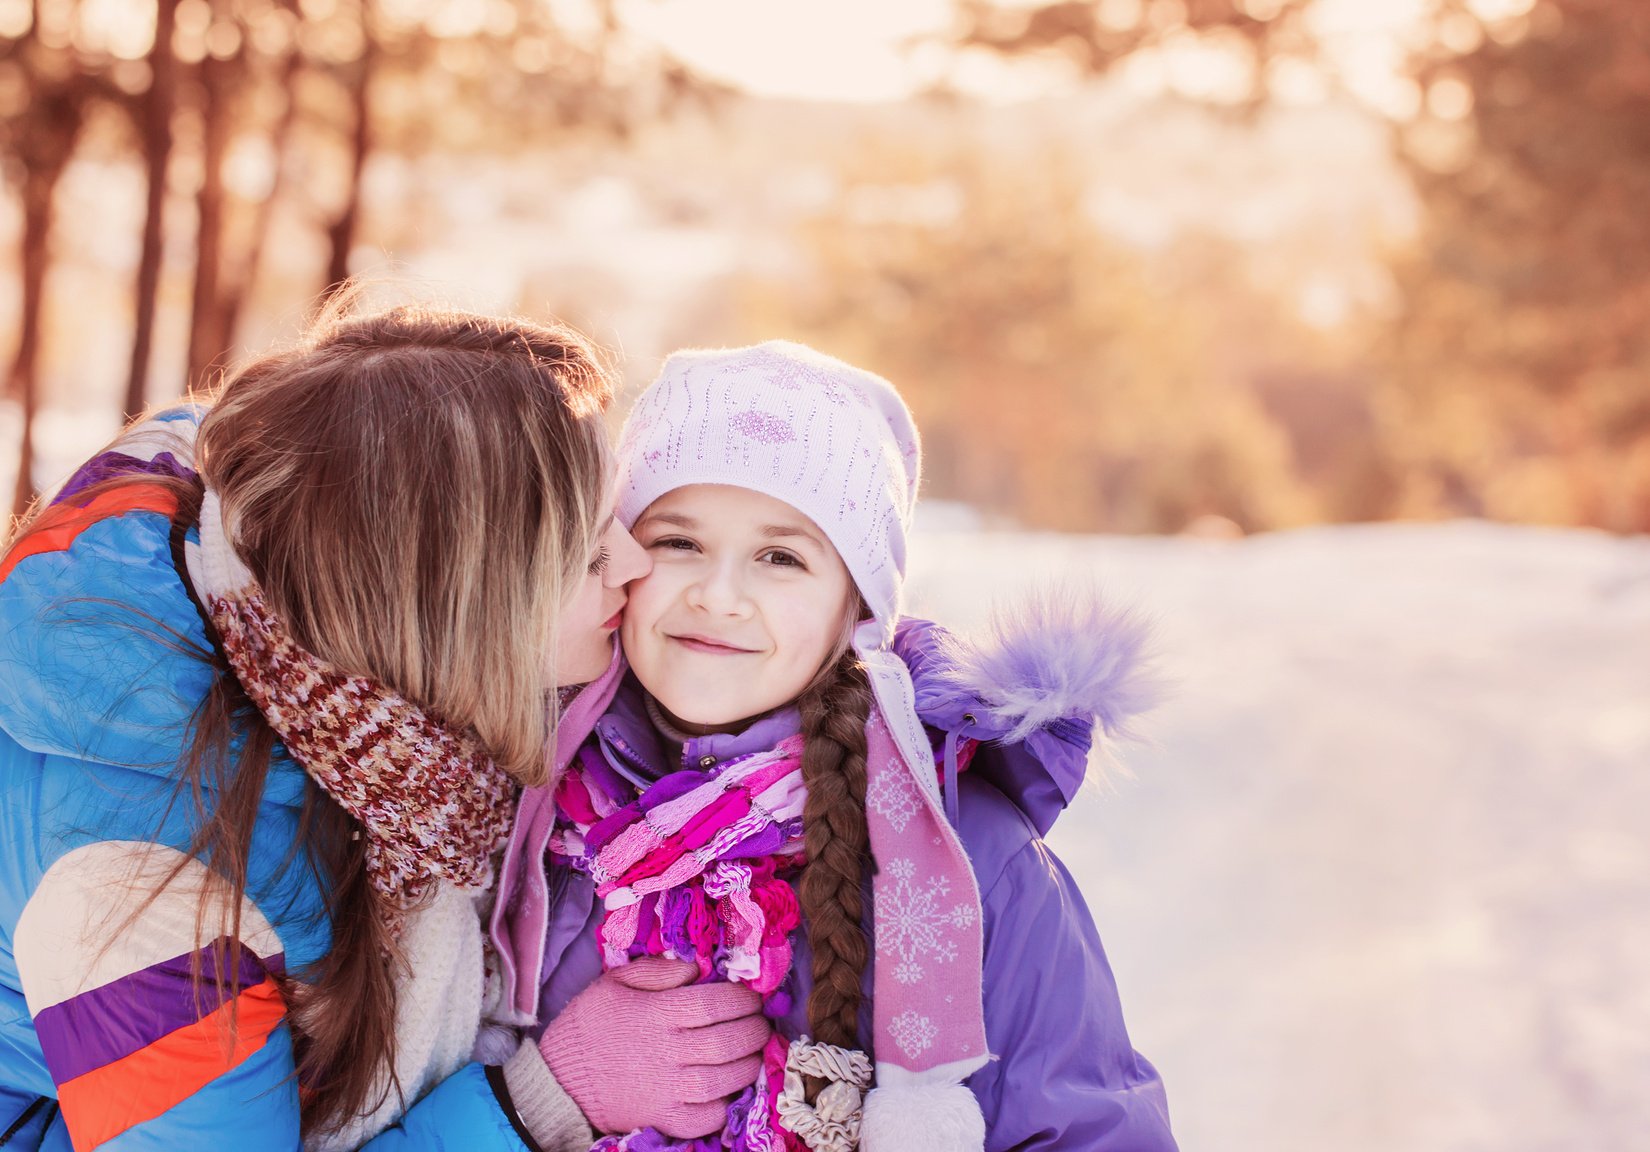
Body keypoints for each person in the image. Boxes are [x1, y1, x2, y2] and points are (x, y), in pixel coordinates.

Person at [0, 305, 760, 1151]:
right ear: (446, 613)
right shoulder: (134, 894)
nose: (635, 561)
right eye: (584, 555)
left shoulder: (292, 521)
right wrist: (543, 1097)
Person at [490, 341, 1179, 1151]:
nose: (719, 595)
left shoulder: (968, 859)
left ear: (856, 609)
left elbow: (1089, 1128)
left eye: (780, 558)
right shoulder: (526, 809)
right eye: (679, 541)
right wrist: (546, 1090)